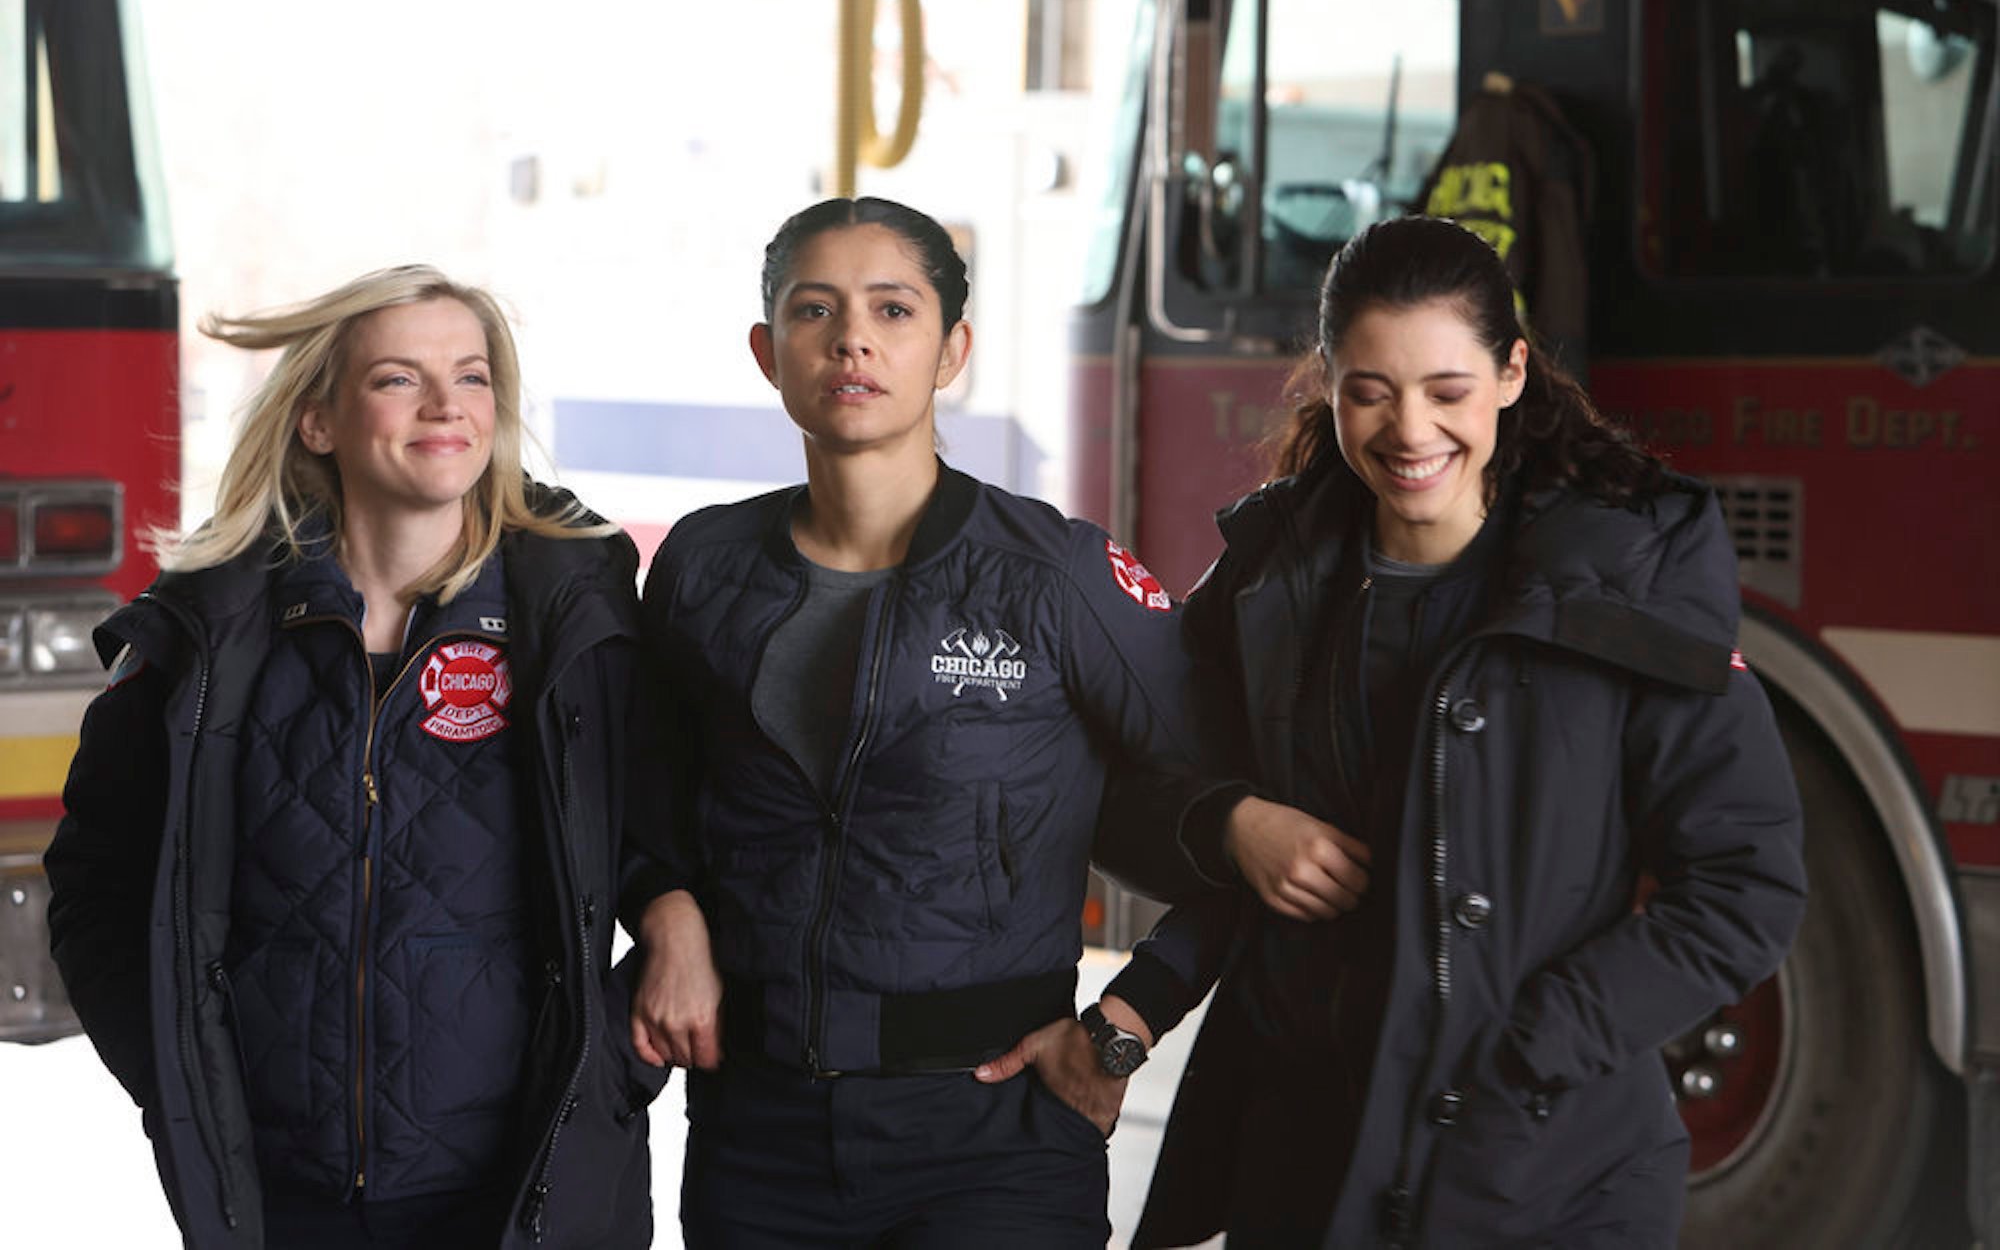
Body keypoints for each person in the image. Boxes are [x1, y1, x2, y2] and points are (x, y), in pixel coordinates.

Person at [1096, 216, 1808, 1248]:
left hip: (1545, 1170)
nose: (1407, 430)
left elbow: (1744, 881)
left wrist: (1528, 1041)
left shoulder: (1620, 583)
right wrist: (1228, 824)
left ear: (1511, 373)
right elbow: (1121, 787)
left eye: (1446, 390)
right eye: (1369, 391)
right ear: (1328, 384)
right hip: (1309, 1162)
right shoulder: (1264, 577)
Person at [622, 196, 1222, 1248]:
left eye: (892, 310)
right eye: (815, 310)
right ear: (768, 352)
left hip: (994, 1136)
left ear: (951, 351)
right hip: (754, 1136)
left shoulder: (1055, 575)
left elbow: (1238, 817)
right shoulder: (701, 567)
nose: (851, 337)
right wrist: (663, 903)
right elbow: (641, 784)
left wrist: (1123, 1023)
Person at [44, 266, 667, 1249]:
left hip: (523, 1192)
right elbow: (95, 879)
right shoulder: (211, 633)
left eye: (470, 377)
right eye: (397, 379)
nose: (444, 406)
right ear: (318, 421)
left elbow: (676, 841)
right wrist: (180, 1078)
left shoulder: (572, 619)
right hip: (282, 1198)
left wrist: (617, 1059)